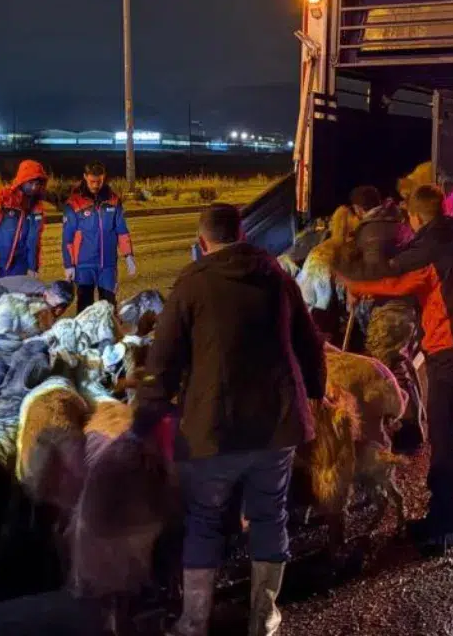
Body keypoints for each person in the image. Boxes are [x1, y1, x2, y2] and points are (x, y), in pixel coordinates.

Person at [131, 203, 327, 636]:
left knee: (204, 518)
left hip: (214, 426)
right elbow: (309, 344)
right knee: (270, 514)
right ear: (242, 234)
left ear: (202, 243)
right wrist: (315, 392)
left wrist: (142, 422)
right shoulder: (276, 277)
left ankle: (194, 621)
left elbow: (162, 363)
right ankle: (264, 616)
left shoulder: (192, 283)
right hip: (277, 424)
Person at [334, 184, 453, 555]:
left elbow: (394, 281)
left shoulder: (429, 251)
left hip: (452, 349)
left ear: (414, 218)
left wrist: (354, 285)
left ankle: (443, 524)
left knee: (443, 435)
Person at [348, 185, 425, 452]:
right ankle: (416, 421)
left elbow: (373, 272)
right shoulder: (398, 222)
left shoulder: (369, 232)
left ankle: (407, 428)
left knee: (389, 366)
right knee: (401, 363)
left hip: (390, 309)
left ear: (358, 211)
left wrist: (357, 285)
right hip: (407, 306)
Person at [62, 161, 137, 313]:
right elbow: (67, 238)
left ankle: (109, 336)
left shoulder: (113, 201)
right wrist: (69, 264)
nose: (95, 185)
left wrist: (128, 255)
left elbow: (121, 231)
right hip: (84, 266)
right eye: (92, 181)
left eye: (99, 181)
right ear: (85, 177)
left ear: (104, 178)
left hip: (107, 265)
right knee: (85, 308)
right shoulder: (74, 203)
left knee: (109, 307)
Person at [0, 159, 49, 283]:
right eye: (30, 182)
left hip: (19, 266)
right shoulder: (1, 197)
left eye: (37, 184)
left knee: (15, 301)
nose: (34, 187)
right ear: (22, 180)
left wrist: (33, 267)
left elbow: (35, 240)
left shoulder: (37, 208)